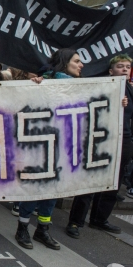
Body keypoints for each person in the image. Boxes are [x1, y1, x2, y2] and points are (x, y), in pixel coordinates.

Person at [15, 48, 83, 251]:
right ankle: (23, 228)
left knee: (53, 189)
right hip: (41, 144)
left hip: (64, 144)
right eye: (77, 61)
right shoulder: (43, 82)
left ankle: (43, 228)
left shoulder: (82, 87)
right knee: (35, 186)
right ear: (65, 62)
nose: (81, 65)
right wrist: (33, 87)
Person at [65, 54, 132, 239]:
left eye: (127, 66)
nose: (125, 69)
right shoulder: (103, 86)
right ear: (111, 71)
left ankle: (99, 218)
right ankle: (75, 221)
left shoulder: (130, 89)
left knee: (114, 182)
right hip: (102, 137)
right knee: (90, 179)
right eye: (120, 66)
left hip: (124, 139)